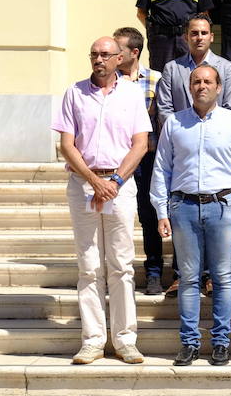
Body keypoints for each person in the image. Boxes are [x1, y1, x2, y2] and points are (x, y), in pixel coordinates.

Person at [51, 36, 151, 365]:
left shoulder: (133, 94)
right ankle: (93, 339)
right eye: (94, 53)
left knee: (121, 266)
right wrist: (95, 181)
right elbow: (67, 144)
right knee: (89, 266)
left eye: (106, 54)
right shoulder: (74, 93)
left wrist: (116, 181)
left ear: (120, 58)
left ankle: (125, 339)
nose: (99, 59)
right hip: (84, 184)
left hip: (120, 186)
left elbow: (140, 144)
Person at [150, 64, 231, 367]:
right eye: (195, 82)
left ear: (219, 87)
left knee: (223, 277)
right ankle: (189, 342)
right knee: (188, 278)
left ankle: (221, 341)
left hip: (223, 206)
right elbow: (162, 169)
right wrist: (161, 210)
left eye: (207, 82)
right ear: (189, 87)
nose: (201, 87)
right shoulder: (174, 123)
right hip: (182, 207)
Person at [113, 27, 164, 295]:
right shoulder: (108, 82)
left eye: (118, 49)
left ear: (134, 52)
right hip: (115, 160)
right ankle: (114, 271)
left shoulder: (155, 79)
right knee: (115, 217)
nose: (112, 55)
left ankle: (154, 271)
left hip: (147, 159)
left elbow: (161, 120)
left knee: (149, 215)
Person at [157, 13, 231, 129]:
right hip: (181, 136)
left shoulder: (227, 68)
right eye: (194, 33)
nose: (200, 37)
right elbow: (165, 108)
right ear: (186, 37)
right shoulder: (171, 68)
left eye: (204, 33)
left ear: (211, 37)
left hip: (216, 136)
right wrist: (180, 133)